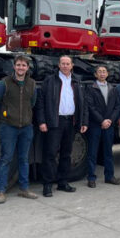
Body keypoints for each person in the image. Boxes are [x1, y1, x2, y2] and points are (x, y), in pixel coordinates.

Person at [36, 55, 88, 197]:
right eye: (63, 63)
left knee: (66, 154)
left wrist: (83, 122)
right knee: (50, 154)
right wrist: (42, 121)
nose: (65, 66)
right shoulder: (50, 80)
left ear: (72, 66)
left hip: (70, 122)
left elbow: (83, 104)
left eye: (68, 63)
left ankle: (63, 182)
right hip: (55, 122)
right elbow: (41, 102)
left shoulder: (77, 81)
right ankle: (47, 185)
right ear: (58, 65)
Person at [0, 55, 39, 204]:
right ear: (14, 66)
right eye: (18, 65)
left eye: (24, 65)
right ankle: (1, 191)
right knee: (6, 159)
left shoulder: (32, 83)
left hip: (26, 127)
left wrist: (25, 117)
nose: (21, 68)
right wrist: (6, 116)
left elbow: (33, 102)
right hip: (9, 127)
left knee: (24, 159)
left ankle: (24, 189)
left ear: (27, 68)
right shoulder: (4, 83)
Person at [84, 65, 120, 187]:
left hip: (109, 125)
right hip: (95, 125)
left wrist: (110, 120)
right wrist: (102, 121)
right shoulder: (91, 88)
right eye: (99, 72)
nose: (102, 73)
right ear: (95, 74)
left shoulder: (112, 89)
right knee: (92, 152)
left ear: (107, 74)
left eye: (104, 71)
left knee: (108, 152)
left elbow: (117, 106)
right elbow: (90, 107)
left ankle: (109, 176)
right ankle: (91, 178)